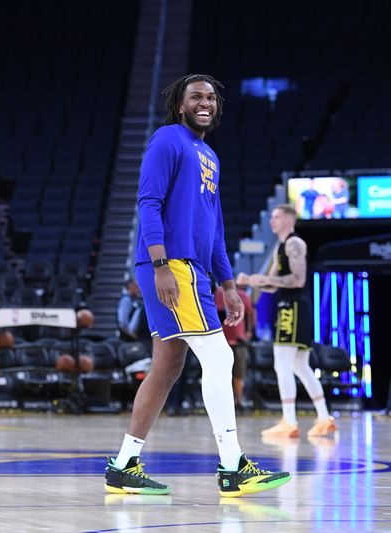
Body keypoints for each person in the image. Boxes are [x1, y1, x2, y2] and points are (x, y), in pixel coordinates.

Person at [105, 74, 290, 497]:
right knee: (220, 359)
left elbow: (216, 228)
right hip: (171, 266)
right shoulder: (168, 139)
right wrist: (160, 265)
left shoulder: (209, 154)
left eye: (210, 97)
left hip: (196, 271)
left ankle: (122, 465)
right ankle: (233, 467)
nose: (204, 103)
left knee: (168, 366)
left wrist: (227, 284)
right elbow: (148, 203)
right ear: (180, 104)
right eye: (195, 97)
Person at [238, 204, 337, 438]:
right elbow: (272, 284)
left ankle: (289, 420)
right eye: (271, 217)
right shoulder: (279, 247)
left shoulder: (294, 243)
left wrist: (254, 278)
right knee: (300, 366)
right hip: (291, 307)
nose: (272, 221)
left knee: (282, 364)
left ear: (289, 220)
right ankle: (324, 417)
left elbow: (298, 279)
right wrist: (252, 281)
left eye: (276, 217)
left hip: (293, 307)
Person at [214, 285, 255, 410]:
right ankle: (224, 402)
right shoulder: (217, 294)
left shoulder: (242, 295)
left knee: (238, 374)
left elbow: (250, 313)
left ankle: (238, 401)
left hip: (238, 342)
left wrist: (249, 331)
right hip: (221, 341)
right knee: (221, 374)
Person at [117, 279, 150, 343]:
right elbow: (123, 323)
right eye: (136, 287)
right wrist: (133, 335)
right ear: (131, 287)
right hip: (128, 340)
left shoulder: (132, 299)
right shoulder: (126, 300)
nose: (138, 289)